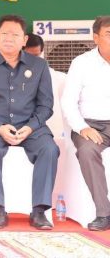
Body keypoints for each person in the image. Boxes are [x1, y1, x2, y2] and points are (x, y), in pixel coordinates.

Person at [0, 15, 58, 230]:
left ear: (24, 39)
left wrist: (30, 127)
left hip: (30, 126)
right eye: (4, 34)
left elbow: (46, 105)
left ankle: (39, 211)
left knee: (49, 149)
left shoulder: (39, 66)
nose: (9, 38)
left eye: (15, 34)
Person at [61, 15, 110, 231]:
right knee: (88, 151)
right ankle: (104, 213)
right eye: (109, 34)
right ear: (96, 38)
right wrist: (82, 127)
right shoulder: (81, 63)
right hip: (91, 125)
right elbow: (68, 102)